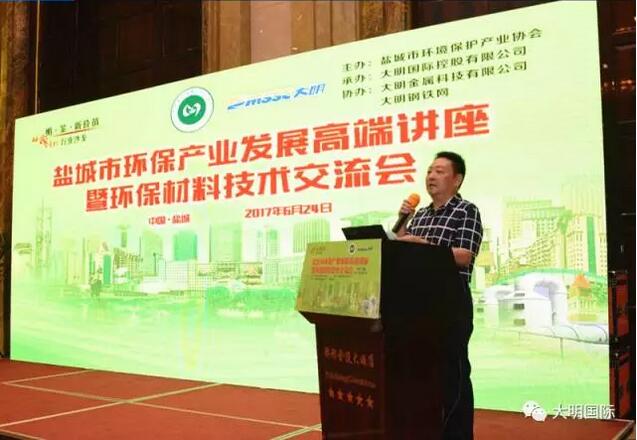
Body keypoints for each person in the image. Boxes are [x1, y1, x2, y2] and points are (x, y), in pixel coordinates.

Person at [395, 151, 483, 440]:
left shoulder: (466, 211)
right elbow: (404, 247)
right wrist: (403, 222)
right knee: (422, 375)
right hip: (418, 304)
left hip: (450, 303)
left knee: (451, 375)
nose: (431, 176)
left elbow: (465, 255)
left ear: (457, 180)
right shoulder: (419, 215)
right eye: (429, 171)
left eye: (440, 171)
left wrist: (425, 246)